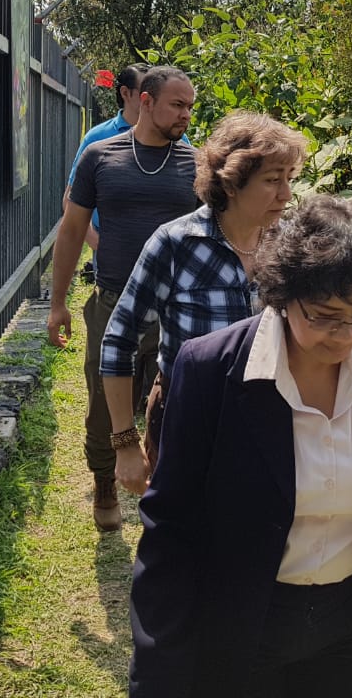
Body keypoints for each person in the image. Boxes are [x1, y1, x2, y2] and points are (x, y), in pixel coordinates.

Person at [122, 196, 352, 697]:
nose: (345, 336)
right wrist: (157, 675)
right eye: (324, 316)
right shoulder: (211, 370)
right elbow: (172, 528)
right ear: (282, 295)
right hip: (241, 623)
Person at [100, 111, 308, 491]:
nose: (286, 195)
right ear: (231, 183)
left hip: (272, 420)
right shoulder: (175, 244)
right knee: (186, 539)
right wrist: (125, 444)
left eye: (289, 180)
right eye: (272, 181)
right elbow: (119, 340)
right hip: (188, 421)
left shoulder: (289, 244)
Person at [48, 65, 198, 530]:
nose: (186, 116)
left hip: (176, 308)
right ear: (146, 101)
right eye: (178, 105)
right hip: (113, 301)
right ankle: (105, 480)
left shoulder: (196, 164)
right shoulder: (100, 156)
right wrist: (58, 304)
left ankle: (164, 487)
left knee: (170, 402)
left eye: (191, 107)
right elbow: (72, 230)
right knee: (102, 400)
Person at [63, 63, 147, 256]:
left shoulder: (173, 137)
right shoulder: (97, 138)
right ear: (125, 93)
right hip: (110, 243)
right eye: (145, 90)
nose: (151, 97)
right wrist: (98, 245)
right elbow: (70, 199)